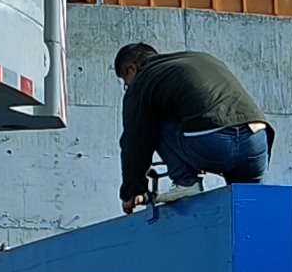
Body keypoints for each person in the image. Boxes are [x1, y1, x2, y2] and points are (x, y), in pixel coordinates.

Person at [116, 41, 272, 209]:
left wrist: (132, 190)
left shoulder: (144, 79)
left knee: (148, 117)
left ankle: (186, 182)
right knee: (248, 206)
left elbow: (135, 139)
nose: (129, 86)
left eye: (126, 82)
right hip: (256, 141)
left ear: (131, 69)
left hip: (214, 142)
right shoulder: (199, 59)